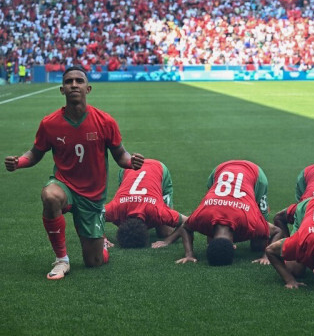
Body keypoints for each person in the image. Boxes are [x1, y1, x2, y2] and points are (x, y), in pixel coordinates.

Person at [4, 66, 144, 280]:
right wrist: (19, 162)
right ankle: (62, 260)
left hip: (92, 196)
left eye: (79, 81)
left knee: (94, 262)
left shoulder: (105, 121)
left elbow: (120, 154)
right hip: (65, 185)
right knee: (50, 196)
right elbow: (35, 153)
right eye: (69, 82)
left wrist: (130, 161)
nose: (74, 85)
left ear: (88, 89)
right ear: (62, 90)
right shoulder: (49, 123)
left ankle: (100, 241)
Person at [167, 160, 280, 266]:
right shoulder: (202, 217)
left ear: (234, 246)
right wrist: (189, 254)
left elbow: (277, 231)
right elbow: (184, 227)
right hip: (219, 170)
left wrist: (266, 255)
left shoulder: (250, 222)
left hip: (254, 174)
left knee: (258, 245)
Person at [103, 158, 188, 248]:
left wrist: (167, 240)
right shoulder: (116, 209)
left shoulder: (156, 211)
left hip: (157, 168)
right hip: (129, 168)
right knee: (163, 227)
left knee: (166, 232)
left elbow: (188, 222)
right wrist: (102, 238)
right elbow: (91, 215)